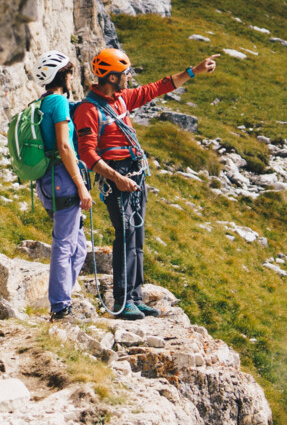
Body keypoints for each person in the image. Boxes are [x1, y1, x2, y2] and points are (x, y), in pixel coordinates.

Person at [74, 47, 218, 320]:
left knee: (136, 237)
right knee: (125, 235)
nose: (129, 77)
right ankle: (122, 301)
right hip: (116, 175)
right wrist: (117, 179)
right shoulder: (88, 109)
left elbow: (158, 88)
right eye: (125, 73)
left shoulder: (121, 100)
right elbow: (87, 153)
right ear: (113, 77)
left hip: (135, 173)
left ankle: (136, 297)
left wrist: (194, 71)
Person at [29, 50, 94, 320]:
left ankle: (62, 297)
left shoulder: (40, 103)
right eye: (69, 73)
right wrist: (81, 185)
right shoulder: (58, 103)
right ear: (61, 75)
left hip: (46, 182)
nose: (72, 78)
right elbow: (65, 146)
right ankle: (59, 307)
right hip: (63, 181)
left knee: (79, 247)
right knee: (64, 245)